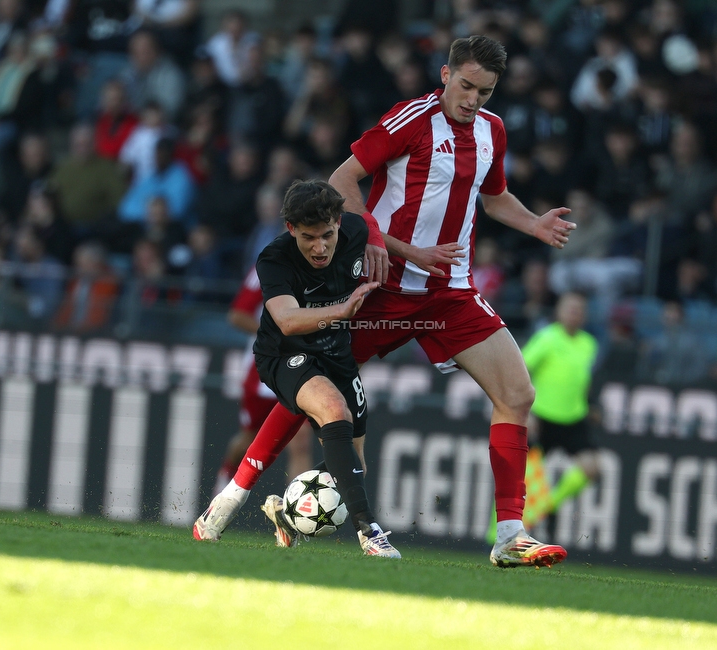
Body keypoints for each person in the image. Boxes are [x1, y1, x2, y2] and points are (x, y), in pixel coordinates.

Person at [200, 35, 575, 569]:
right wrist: (377, 239)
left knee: (517, 393)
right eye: (466, 86)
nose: (473, 100)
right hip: (381, 286)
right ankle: (229, 500)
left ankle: (510, 535)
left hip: (450, 291)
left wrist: (532, 221)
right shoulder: (410, 120)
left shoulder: (492, 132)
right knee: (312, 387)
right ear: (445, 76)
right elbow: (341, 181)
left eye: (485, 91)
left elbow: (493, 198)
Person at [193, 179, 400, 558]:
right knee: (334, 409)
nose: (319, 247)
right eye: (308, 237)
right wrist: (342, 310)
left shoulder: (355, 229)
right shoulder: (274, 259)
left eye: (326, 235)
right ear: (290, 229)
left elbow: (367, 220)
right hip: (284, 353)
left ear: (338, 222)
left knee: (355, 467)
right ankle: (370, 534)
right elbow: (287, 320)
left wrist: (380, 241)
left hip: (336, 354)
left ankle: (276, 514)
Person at [211, 264, 314, 495]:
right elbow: (237, 315)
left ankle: (295, 514)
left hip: (300, 370)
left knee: (301, 441)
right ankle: (224, 481)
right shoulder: (267, 267)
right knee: (250, 437)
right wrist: (278, 334)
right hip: (263, 372)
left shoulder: (324, 268)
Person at [517, 293, 600, 529]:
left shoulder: (589, 344)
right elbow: (522, 369)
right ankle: (494, 538)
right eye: (570, 308)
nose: (575, 314)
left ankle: (547, 506)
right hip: (542, 417)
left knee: (591, 469)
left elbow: (583, 379)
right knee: (524, 482)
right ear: (559, 312)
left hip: (573, 417)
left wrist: (591, 404)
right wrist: (527, 411)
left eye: (579, 310)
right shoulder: (546, 338)